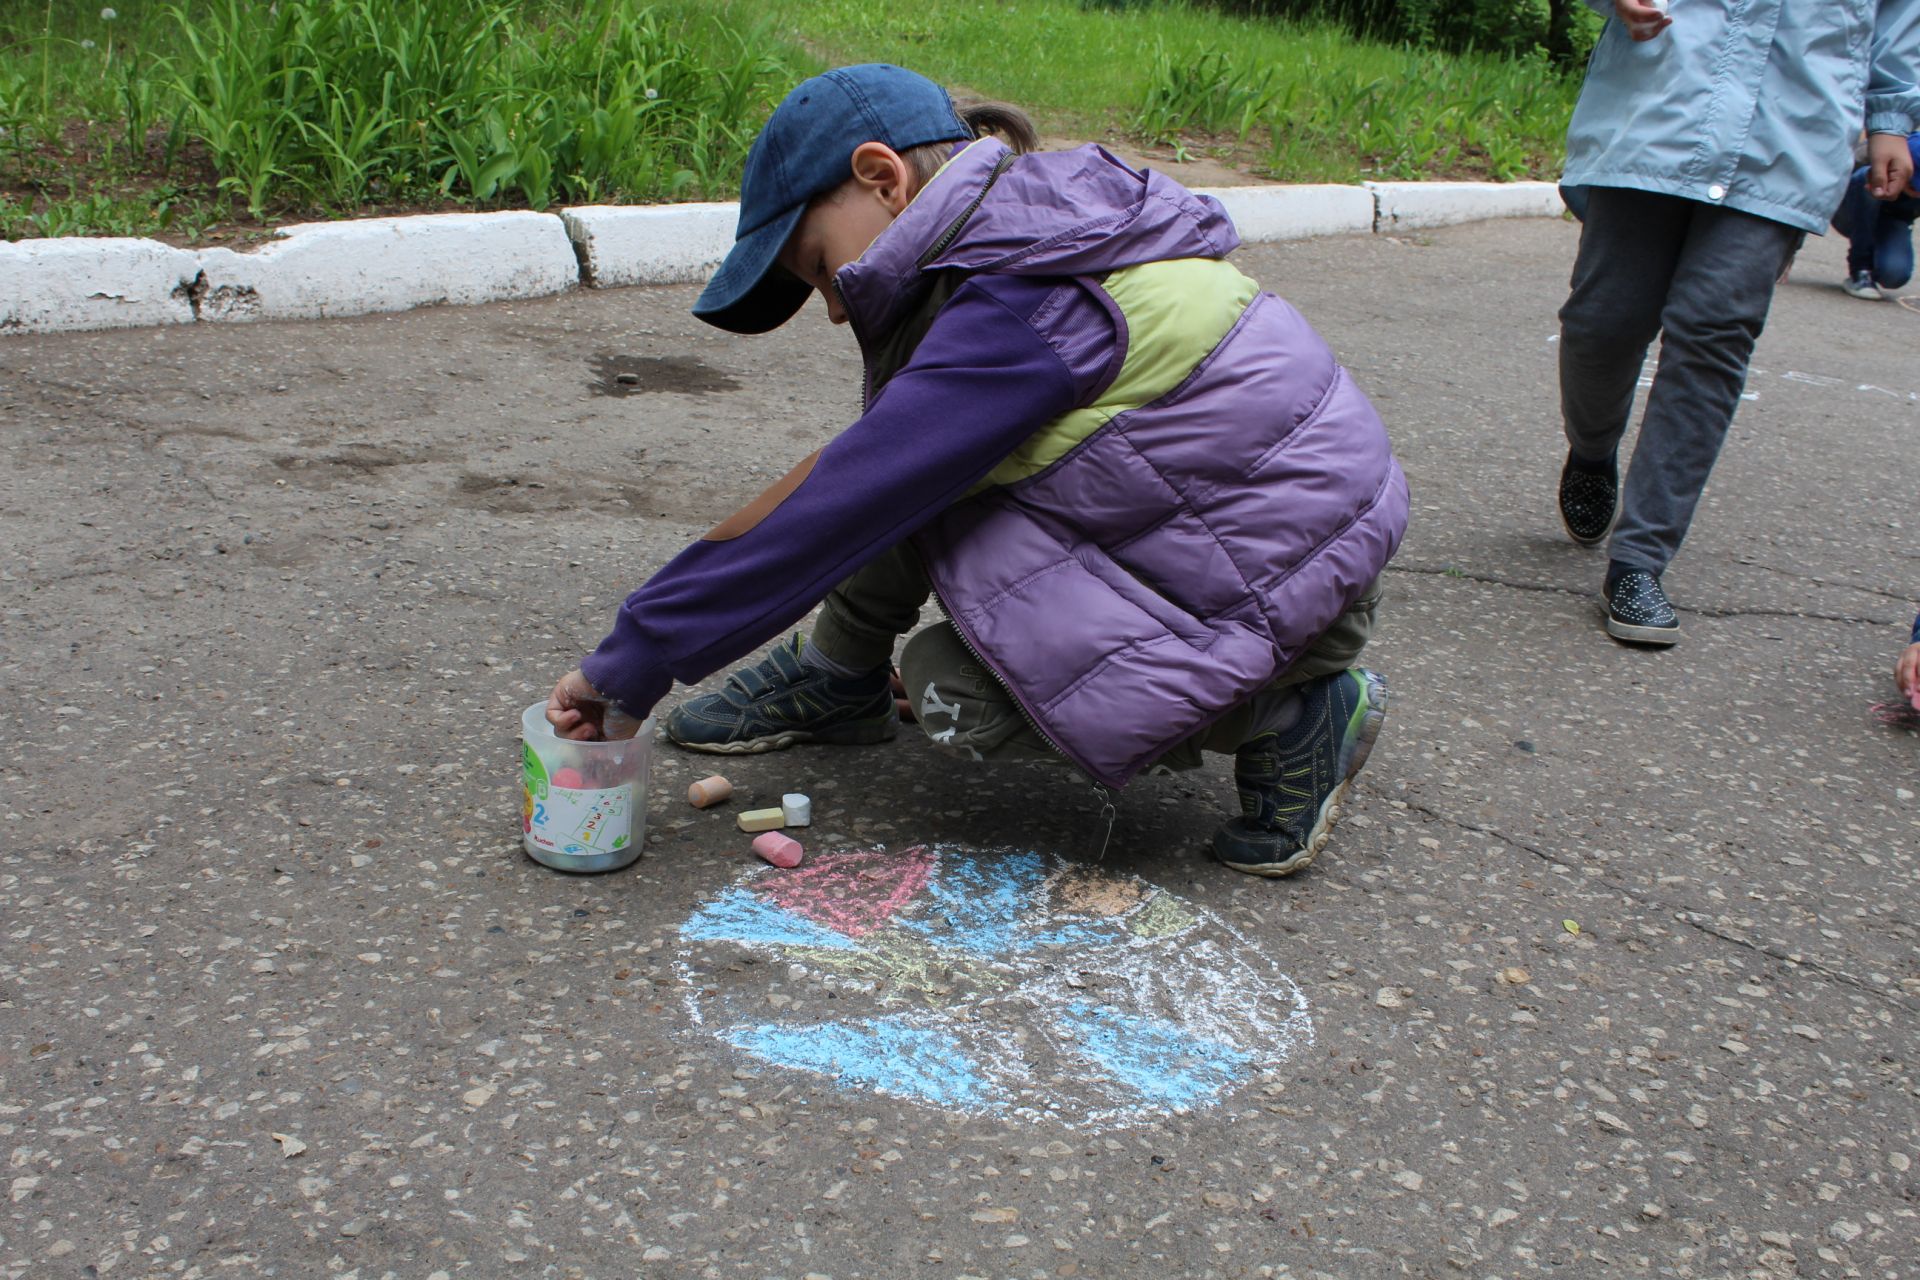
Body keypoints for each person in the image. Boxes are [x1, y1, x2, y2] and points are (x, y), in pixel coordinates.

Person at [544, 64, 1408, 877]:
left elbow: (839, 505)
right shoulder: (1033, 229)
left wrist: (635, 658)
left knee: (950, 683)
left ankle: (1290, 717)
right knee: (914, 461)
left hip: (1281, 596)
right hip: (1253, 547)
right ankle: (839, 681)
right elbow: (884, 472)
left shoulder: (1021, 303)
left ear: (884, 178)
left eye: (817, 268)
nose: (835, 306)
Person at [1554, 0, 1920, 646]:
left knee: (1714, 328)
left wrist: (1892, 117)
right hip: (1659, 104)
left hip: (1793, 125)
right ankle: (1592, 447)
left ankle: (1639, 560)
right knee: (1603, 319)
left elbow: (1899, 13)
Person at [1833, 132, 1920, 300]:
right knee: (1869, 178)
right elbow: (1817, 183)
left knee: (1894, 275)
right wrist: (1791, 247)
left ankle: (1881, 252)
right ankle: (1860, 270)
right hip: (1847, 209)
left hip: (1892, 218)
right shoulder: (1873, 150)